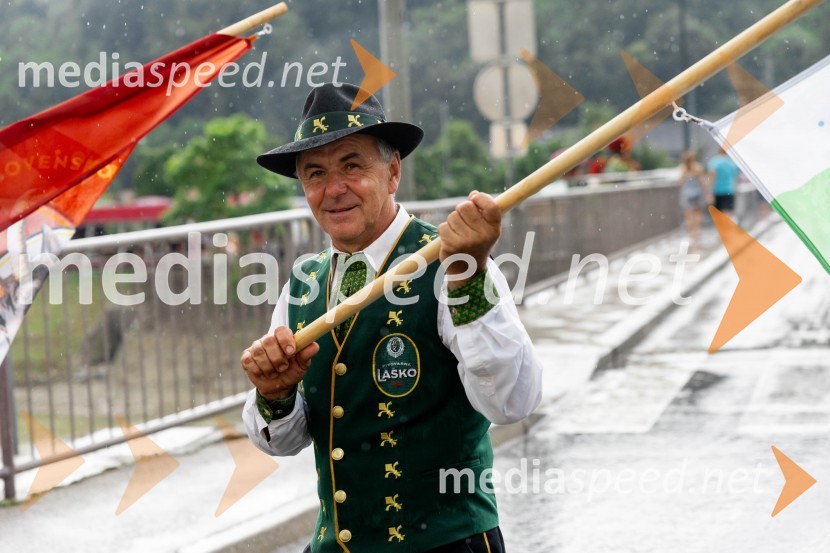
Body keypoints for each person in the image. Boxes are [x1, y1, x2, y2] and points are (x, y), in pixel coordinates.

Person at [240, 83, 542, 552]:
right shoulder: (302, 284)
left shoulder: (453, 262)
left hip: (446, 543)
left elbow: (513, 403)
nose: (333, 189)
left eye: (352, 166)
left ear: (393, 170)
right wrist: (273, 394)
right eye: (315, 174)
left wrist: (469, 281)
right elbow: (282, 441)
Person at [677, 150, 708, 250]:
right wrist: (707, 193)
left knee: (688, 215)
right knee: (697, 214)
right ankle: (696, 233)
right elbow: (702, 182)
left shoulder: (683, 168)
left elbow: (679, 183)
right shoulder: (698, 167)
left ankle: (691, 234)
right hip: (697, 193)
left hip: (687, 194)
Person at [707, 147, 740, 218]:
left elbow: (712, 175)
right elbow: (735, 175)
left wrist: (709, 191)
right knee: (729, 211)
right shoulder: (731, 162)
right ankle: (729, 227)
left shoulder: (714, 161)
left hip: (717, 190)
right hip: (729, 189)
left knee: (719, 212)